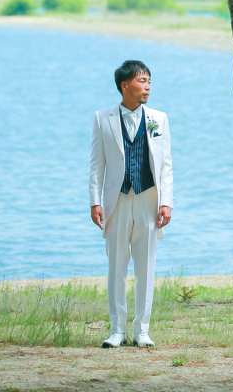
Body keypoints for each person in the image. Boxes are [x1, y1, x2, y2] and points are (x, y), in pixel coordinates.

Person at [89, 59, 173, 349]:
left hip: (149, 199)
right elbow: (96, 164)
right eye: (141, 81)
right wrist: (94, 202)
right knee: (116, 265)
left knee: (146, 267)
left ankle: (143, 330)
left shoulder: (159, 118)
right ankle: (116, 330)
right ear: (125, 85)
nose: (147, 85)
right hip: (117, 199)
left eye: (149, 81)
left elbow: (166, 166)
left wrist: (167, 203)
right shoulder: (103, 118)